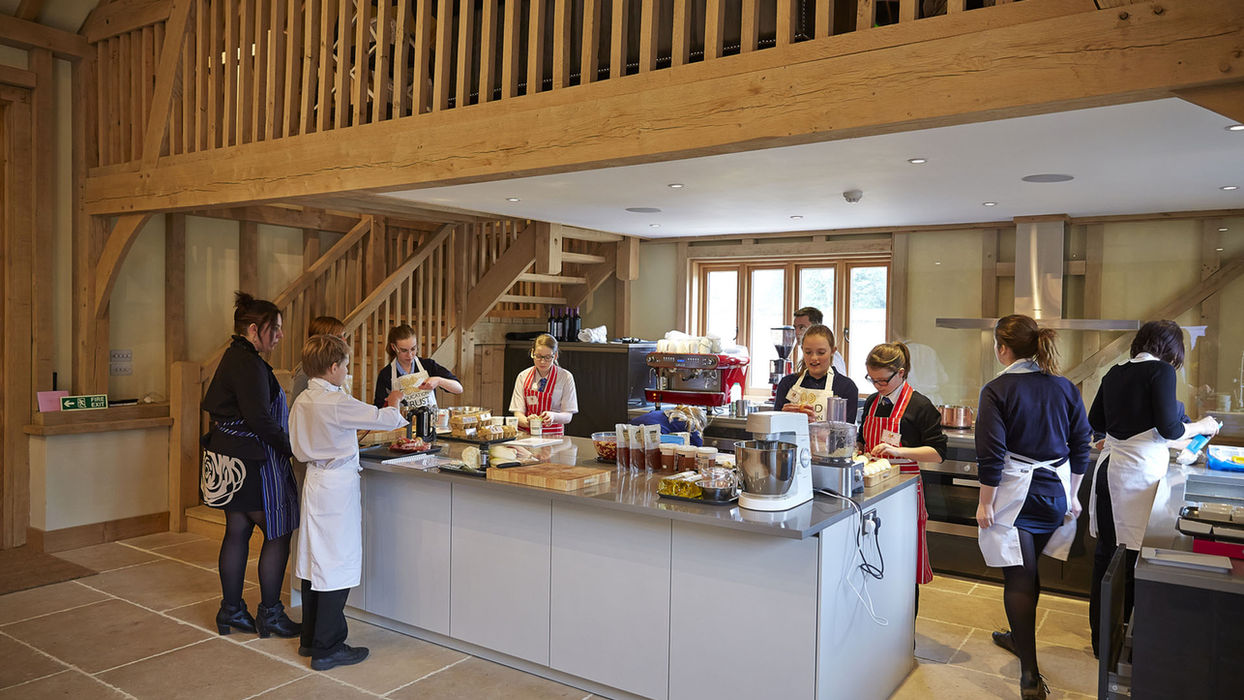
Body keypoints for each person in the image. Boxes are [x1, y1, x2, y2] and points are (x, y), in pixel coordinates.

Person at [975, 315, 1091, 700]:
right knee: (1029, 571)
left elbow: (991, 454)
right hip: (1055, 494)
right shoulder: (1064, 387)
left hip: (1014, 497)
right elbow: (1081, 444)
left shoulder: (996, 389)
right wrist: (1073, 495)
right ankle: (1017, 637)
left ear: (1002, 348)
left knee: (1019, 579)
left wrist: (985, 503)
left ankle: (1029, 675)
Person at [1086, 320, 1219, 656]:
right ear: (1171, 349)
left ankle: (1102, 643)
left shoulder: (1114, 372)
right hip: (1136, 478)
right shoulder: (1161, 371)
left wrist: (1131, 433)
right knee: (1133, 561)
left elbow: (1095, 422)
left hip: (1109, 472)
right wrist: (1203, 425)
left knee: (1106, 557)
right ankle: (1129, 646)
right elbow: (1170, 429)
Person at [289, 334, 407, 670]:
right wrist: (394, 401)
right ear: (332, 367)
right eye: (345, 366)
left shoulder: (303, 400)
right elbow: (384, 419)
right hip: (336, 486)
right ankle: (328, 647)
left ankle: (310, 637)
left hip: (315, 480)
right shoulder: (335, 401)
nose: (346, 371)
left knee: (315, 561)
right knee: (336, 564)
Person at [200, 292, 301, 639]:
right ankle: (270, 614)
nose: (280, 335)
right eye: (276, 328)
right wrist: (292, 448)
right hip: (250, 462)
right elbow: (260, 419)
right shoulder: (250, 363)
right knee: (277, 532)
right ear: (255, 329)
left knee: (237, 530)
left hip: (227, 459)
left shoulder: (234, 356)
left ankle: (230, 611)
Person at [856, 341, 946, 612]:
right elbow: (862, 440)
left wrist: (899, 451)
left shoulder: (920, 405)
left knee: (902, 559)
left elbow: (938, 453)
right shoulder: (872, 402)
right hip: (872, 489)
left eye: (883, 380)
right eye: (872, 380)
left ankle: (905, 625)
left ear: (901, 373)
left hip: (904, 493)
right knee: (873, 554)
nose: (877, 386)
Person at [773, 324, 859, 423]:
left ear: (832, 351)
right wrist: (782, 418)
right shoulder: (787, 383)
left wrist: (815, 425)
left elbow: (845, 430)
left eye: (821, 352)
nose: (814, 358)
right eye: (808, 352)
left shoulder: (847, 387)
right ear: (802, 350)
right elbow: (775, 426)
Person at [372, 324, 463, 410]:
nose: (410, 355)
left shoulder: (428, 365)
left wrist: (439, 381)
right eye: (404, 350)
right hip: (401, 421)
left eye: (413, 349)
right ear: (393, 347)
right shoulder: (386, 374)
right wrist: (393, 401)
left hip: (429, 420)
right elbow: (379, 409)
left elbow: (459, 388)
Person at [509, 333, 578, 436]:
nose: (542, 361)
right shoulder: (523, 376)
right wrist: (527, 421)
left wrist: (553, 416)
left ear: (555, 356)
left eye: (547, 357)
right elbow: (518, 413)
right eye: (538, 356)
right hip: (526, 436)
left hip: (554, 437)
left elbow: (568, 416)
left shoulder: (565, 377)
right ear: (532, 353)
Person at [290, 316, 347, 404]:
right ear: (324, 340)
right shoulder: (305, 371)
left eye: (344, 336)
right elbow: (295, 405)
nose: (344, 340)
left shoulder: (332, 365)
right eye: (339, 337)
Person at [793, 306, 847, 376]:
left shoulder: (833, 358)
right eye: (795, 327)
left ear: (815, 327)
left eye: (802, 327)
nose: (796, 332)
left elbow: (838, 381)